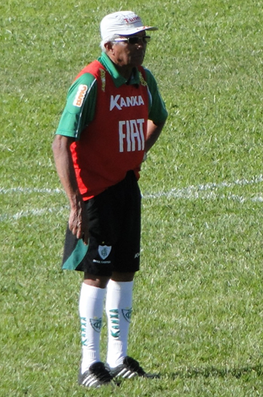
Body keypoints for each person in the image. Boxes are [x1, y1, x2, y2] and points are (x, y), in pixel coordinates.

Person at [52, 10, 168, 388]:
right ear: (109, 46)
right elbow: (61, 142)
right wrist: (75, 204)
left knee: (125, 269)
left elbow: (159, 117)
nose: (139, 48)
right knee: (96, 275)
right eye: (131, 41)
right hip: (94, 193)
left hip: (125, 186)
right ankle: (91, 364)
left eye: (143, 40)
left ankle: (118, 357)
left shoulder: (143, 80)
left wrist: (138, 153)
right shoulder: (91, 82)